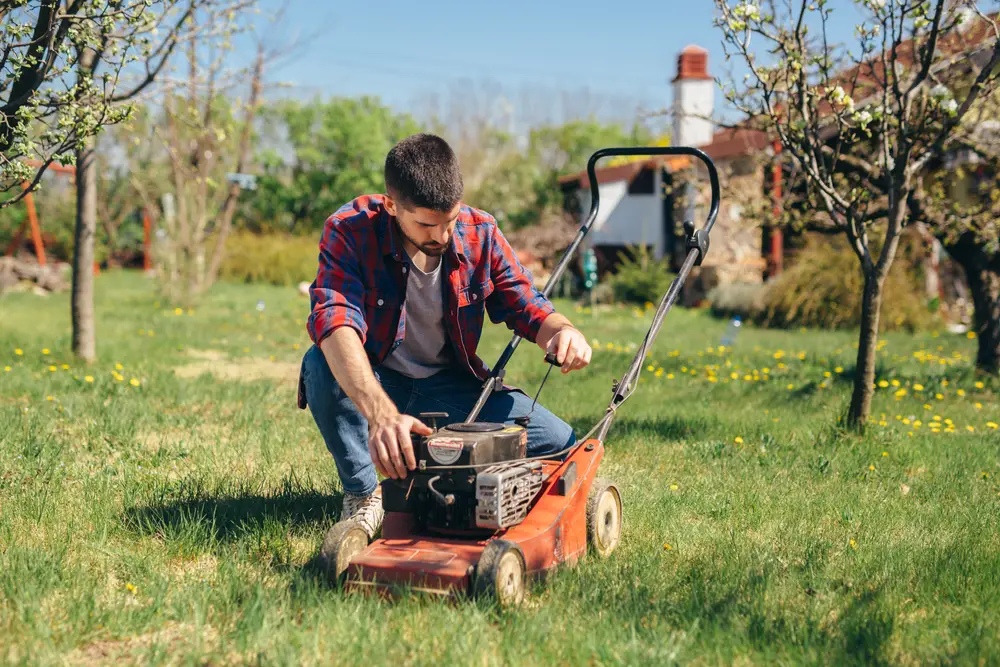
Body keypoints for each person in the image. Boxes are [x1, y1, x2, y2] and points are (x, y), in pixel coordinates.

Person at [298, 133, 592, 538]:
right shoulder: (350, 229)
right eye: (425, 224)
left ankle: (465, 480)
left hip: (448, 386)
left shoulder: (480, 231)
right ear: (391, 205)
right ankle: (366, 495)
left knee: (560, 443)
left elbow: (523, 301)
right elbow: (335, 321)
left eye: (450, 221)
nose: (441, 236)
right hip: (377, 380)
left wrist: (562, 331)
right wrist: (382, 416)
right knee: (321, 365)